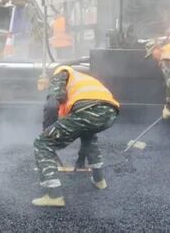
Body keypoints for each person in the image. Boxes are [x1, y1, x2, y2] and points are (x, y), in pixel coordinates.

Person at [32, 65, 120, 208]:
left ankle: (54, 196)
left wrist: (47, 132)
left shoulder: (60, 72)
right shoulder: (81, 78)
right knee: (88, 135)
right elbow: (81, 129)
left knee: (42, 143)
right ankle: (99, 180)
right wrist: (80, 159)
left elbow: (52, 104)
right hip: (110, 112)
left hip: (87, 109)